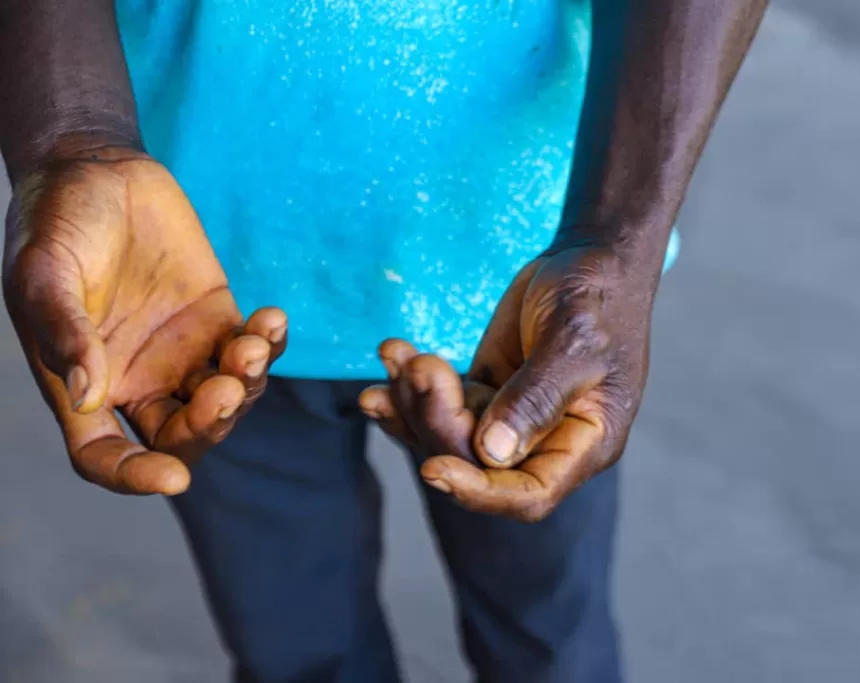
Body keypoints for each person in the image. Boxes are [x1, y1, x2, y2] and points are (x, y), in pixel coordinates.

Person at [0, 1, 766, 681]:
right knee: (298, 647)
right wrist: (72, 137)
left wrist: (616, 230)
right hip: (188, 293)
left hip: (526, 290)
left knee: (549, 638)